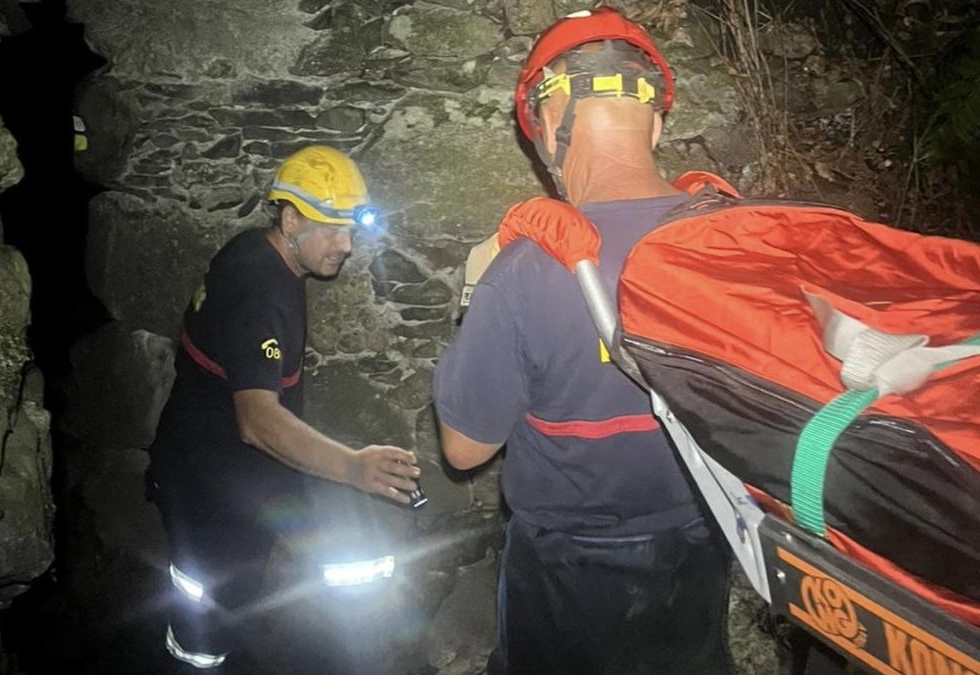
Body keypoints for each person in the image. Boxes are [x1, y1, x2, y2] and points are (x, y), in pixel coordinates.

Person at [432, 8, 732, 675]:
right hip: (702, 547)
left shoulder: (522, 272)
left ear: (546, 124)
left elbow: (463, 448)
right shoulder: (734, 240)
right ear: (656, 119)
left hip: (567, 574)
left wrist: (472, 300)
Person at [148, 145, 421, 672]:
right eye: (331, 229)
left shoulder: (256, 251)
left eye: (350, 230)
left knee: (238, 592)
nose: (345, 246)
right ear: (290, 217)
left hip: (215, 462)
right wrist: (352, 467)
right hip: (211, 485)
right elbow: (257, 420)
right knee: (210, 609)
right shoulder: (261, 289)